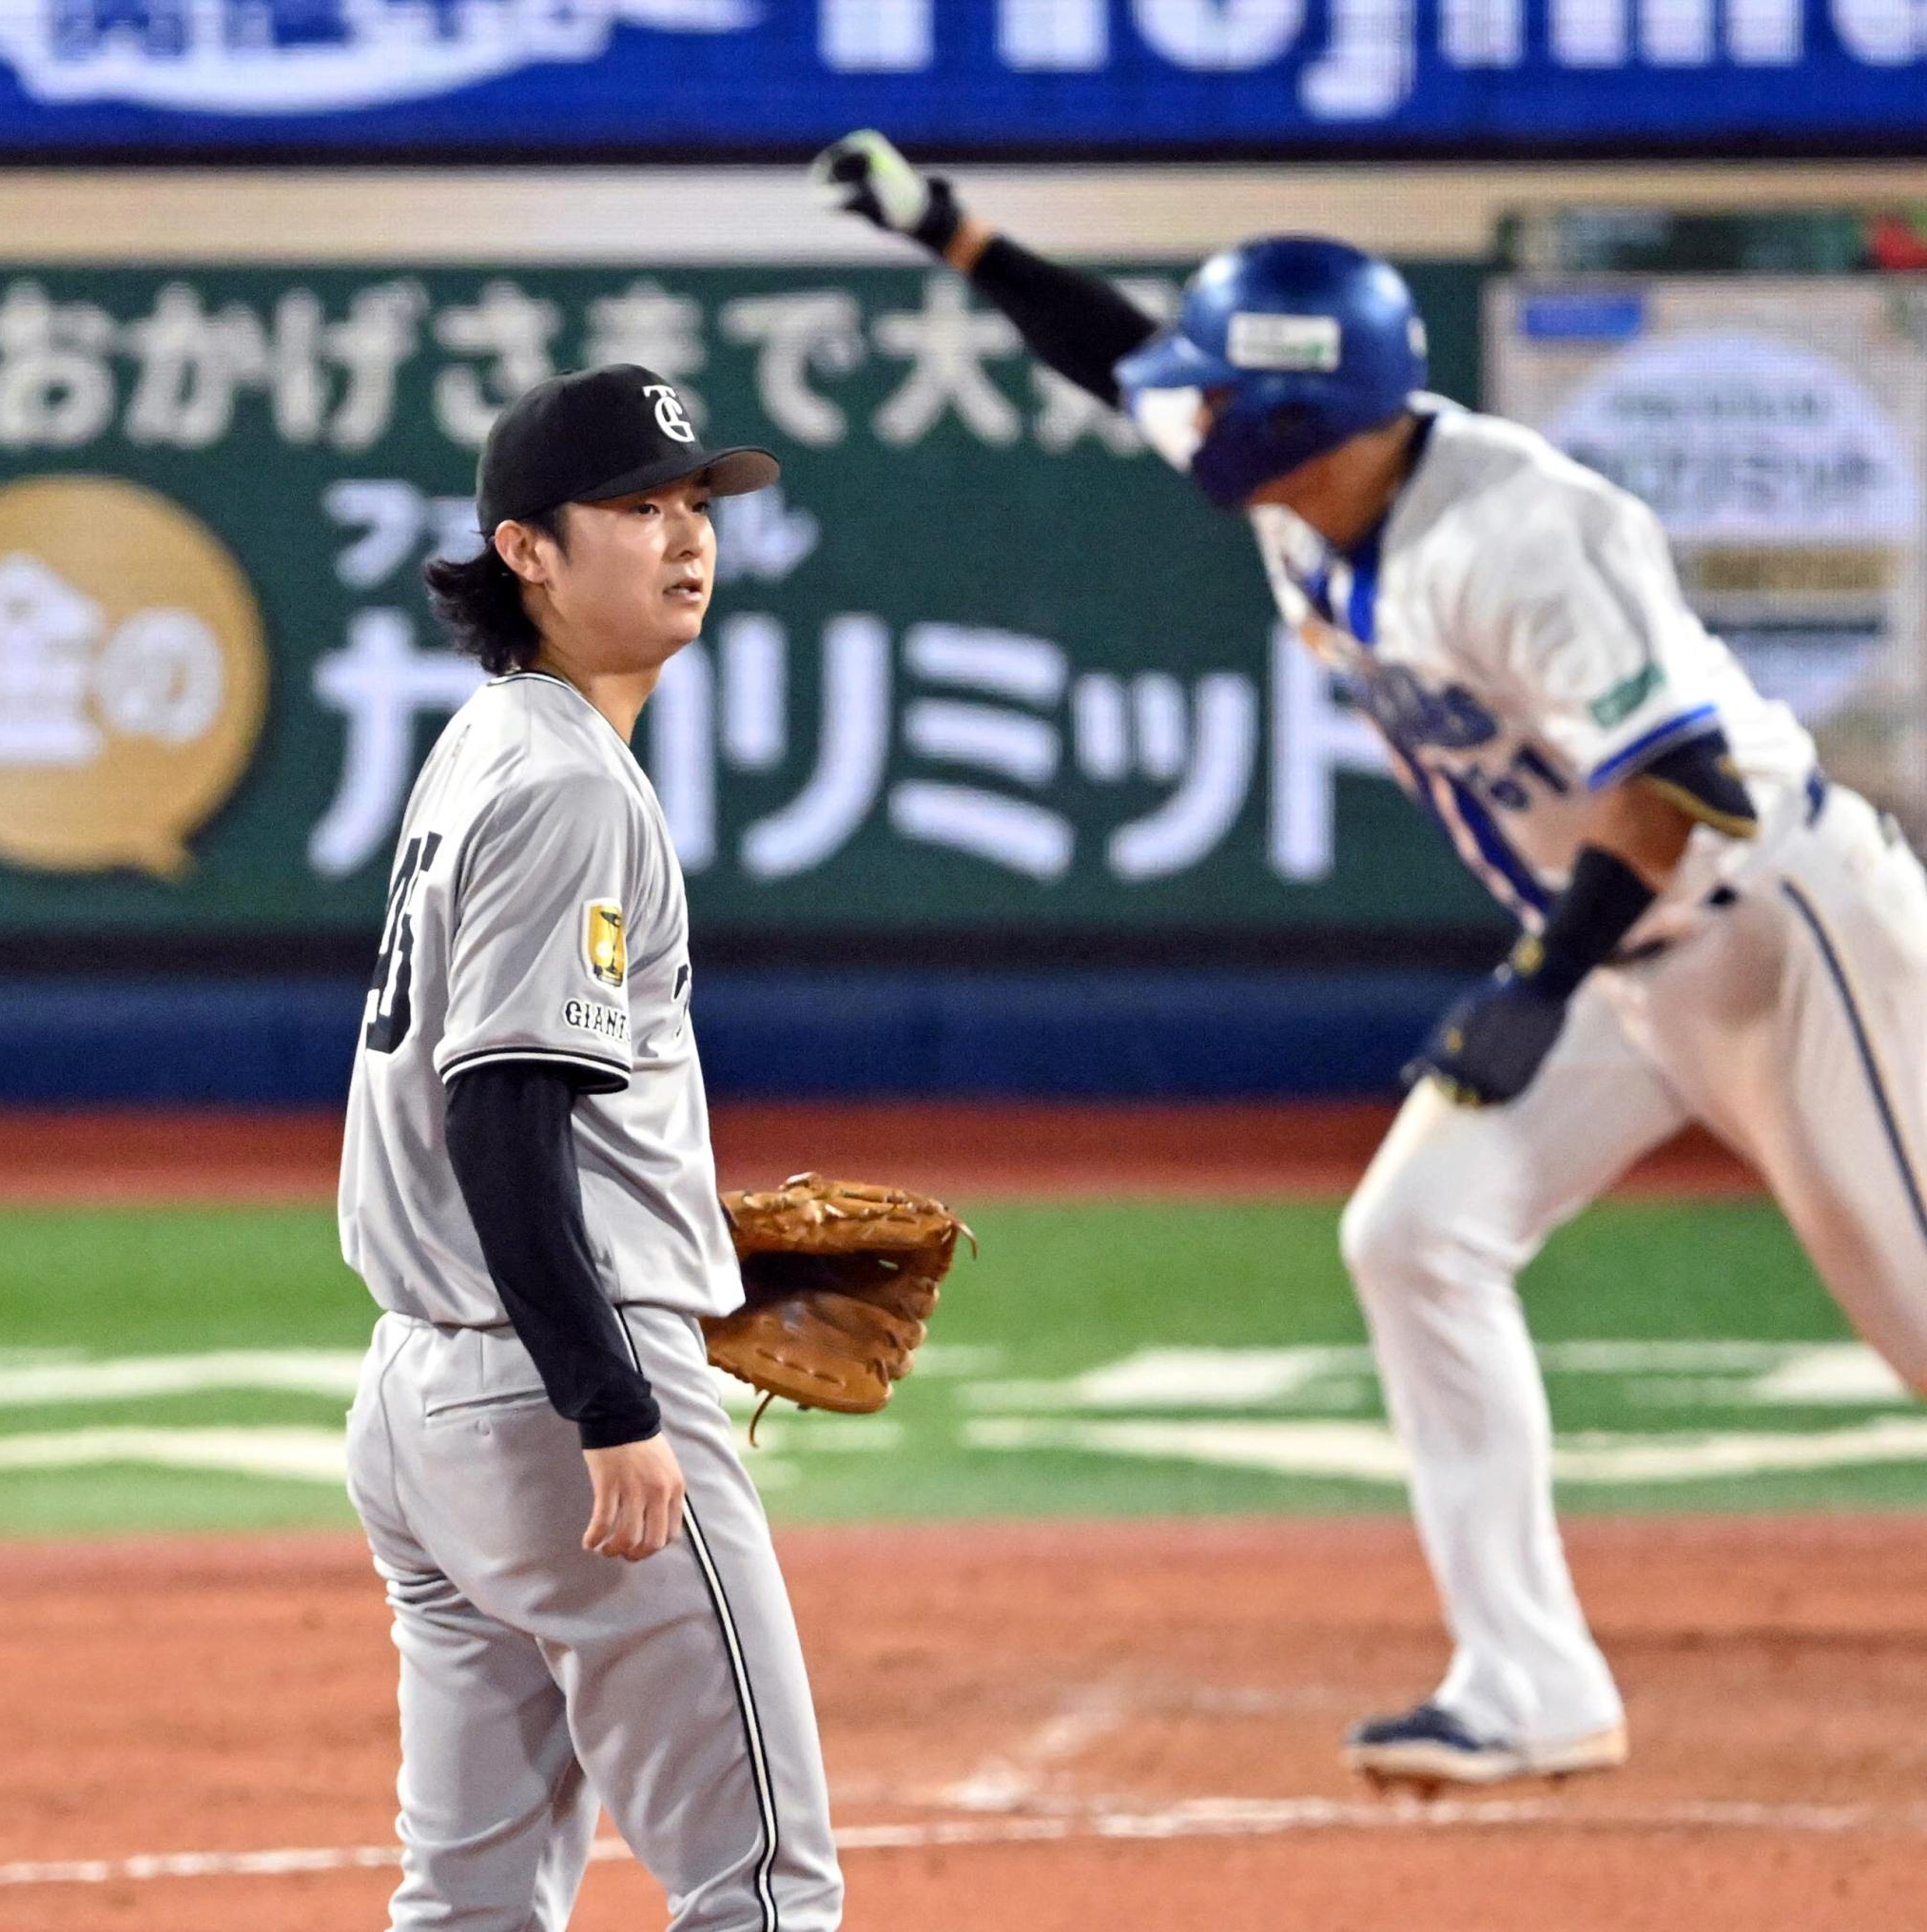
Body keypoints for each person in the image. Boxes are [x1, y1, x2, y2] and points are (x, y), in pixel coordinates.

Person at [813, 132, 1927, 1791]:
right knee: (1416, 1233)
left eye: (1224, 388)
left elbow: (1678, 789)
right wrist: (953, 231)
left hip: (1782, 922)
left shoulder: (1531, 532)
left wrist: (1536, 990)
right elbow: (1118, 352)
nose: (1191, 408)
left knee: (1913, 1305)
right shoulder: (1306, 466)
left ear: (1295, 412)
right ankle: (1530, 1682)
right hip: (1624, 952)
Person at [339, 362, 845, 1927]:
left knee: (471, 1905)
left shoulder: (493, 742)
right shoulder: (565, 783)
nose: (686, 537)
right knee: (761, 1890)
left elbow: (508, 1103)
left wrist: (677, 1241)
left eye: (698, 504)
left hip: (423, 1407)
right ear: (528, 552)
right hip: (555, 1403)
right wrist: (611, 1393)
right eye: (636, 507)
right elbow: (499, 1116)